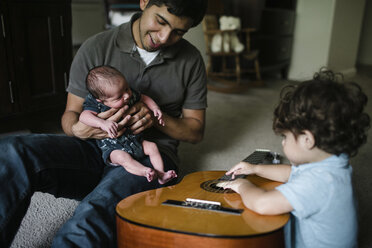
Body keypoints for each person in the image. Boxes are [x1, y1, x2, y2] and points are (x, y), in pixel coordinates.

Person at [0, 0, 208, 247]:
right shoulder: (96, 47)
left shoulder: (191, 60)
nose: (164, 37)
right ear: (144, 2)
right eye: (161, 22)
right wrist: (79, 128)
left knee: (90, 219)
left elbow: (195, 131)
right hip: (93, 148)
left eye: (178, 32)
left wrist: (154, 119)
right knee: (12, 151)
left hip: (147, 157)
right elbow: (70, 115)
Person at [218, 69, 370, 248]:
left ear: (307, 140)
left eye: (285, 137)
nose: (282, 143)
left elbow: (262, 204)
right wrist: (256, 168)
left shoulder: (319, 182)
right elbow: (292, 173)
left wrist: (242, 185)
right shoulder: (332, 163)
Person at [80, 65, 177, 184]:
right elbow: (84, 116)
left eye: (126, 88)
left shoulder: (128, 94)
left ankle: (161, 174)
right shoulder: (95, 103)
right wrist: (102, 123)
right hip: (113, 148)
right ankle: (145, 171)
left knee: (152, 147)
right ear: (101, 100)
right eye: (119, 97)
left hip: (136, 141)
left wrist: (155, 108)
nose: (126, 96)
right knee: (123, 158)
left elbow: (143, 97)